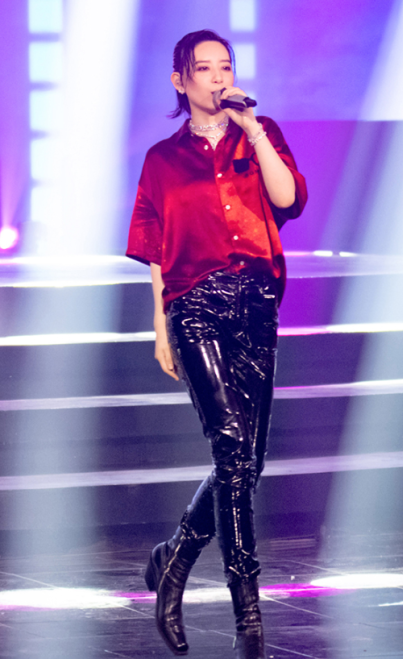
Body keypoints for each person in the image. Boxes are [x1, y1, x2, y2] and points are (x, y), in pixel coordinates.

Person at [126, 30, 307, 658]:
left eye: (224, 66)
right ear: (181, 81)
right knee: (231, 447)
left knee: (247, 462)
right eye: (203, 69)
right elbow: (155, 252)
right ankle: (248, 618)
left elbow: (289, 199)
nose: (217, 77)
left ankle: (175, 560)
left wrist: (253, 129)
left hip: (255, 304)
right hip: (194, 307)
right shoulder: (162, 159)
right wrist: (161, 329)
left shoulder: (261, 135)